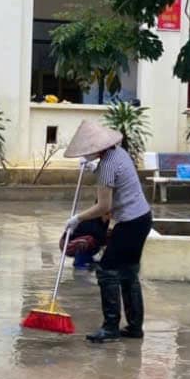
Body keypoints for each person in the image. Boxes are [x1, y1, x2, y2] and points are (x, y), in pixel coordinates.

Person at [63, 120, 152, 343]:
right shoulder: (119, 153)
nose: (87, 154)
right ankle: (134, 327)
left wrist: (77, 218)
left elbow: (104, 207)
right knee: (129, 272)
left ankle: (111, 327)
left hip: (130, 223)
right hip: (142, 218)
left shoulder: (106, 166)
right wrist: (95, 168)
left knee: (107, 271)